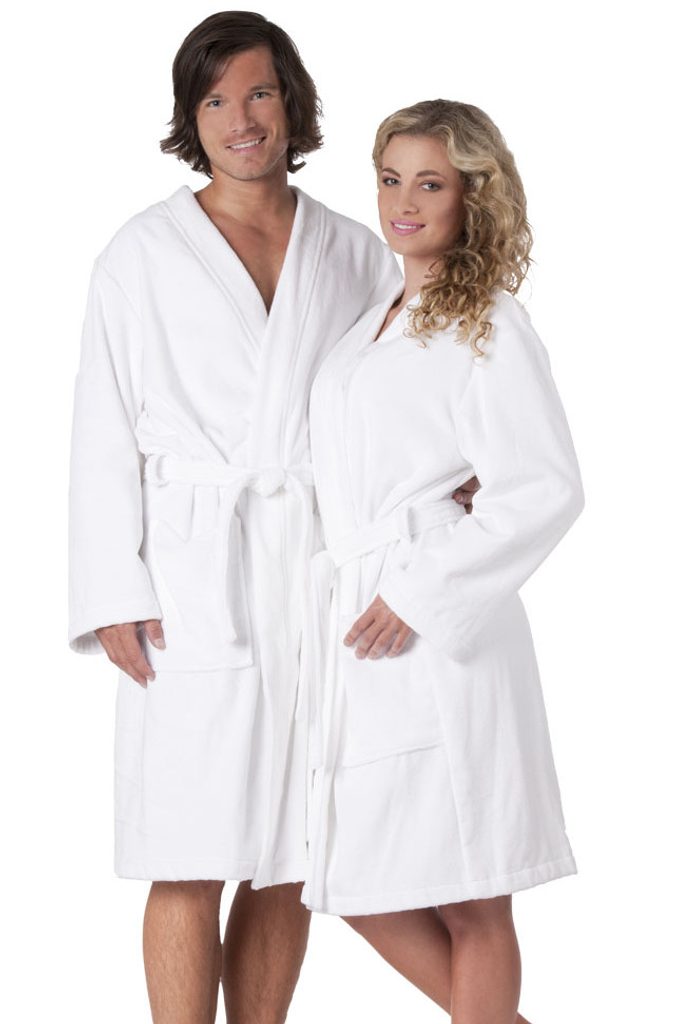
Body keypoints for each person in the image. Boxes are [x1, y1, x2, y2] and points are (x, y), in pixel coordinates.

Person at [67, 12, 478, 1023]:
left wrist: (457, 469)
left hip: (316, 570)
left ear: (291, 101)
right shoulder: (139, 253)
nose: (240, 118)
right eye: (214, 100)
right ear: (191, 117)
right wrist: (112, 590)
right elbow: (99, 426)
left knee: (292, 846)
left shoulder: (353, 250)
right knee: (186, 846)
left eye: (258, 92)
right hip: (189, 577)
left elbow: (403, 389)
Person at [301, 99, 584, 1024]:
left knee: (473, 894)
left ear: (471, 194)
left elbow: (542, 486)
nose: (405, 203)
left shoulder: (487, 320)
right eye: (391, 180)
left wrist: (421, 591)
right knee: (361, 880)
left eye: (430, 183)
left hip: (444, 631)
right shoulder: (373, 319)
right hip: (364, 622)